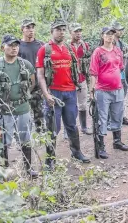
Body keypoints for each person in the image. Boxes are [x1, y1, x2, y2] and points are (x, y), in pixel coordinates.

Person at [37, 19, 90, 170]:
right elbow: (40, 74)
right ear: (51, 31)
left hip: (70, 91)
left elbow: (74, 68)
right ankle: (50, 159)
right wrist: (46, 94)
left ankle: (76, 152)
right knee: (53, 127)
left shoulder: (69, 48)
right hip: (53, 92)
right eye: (57, 29)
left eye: (63, 29)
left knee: (72, 125)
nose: (61, 32)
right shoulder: (45, 50)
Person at [0, 34, 38, 178]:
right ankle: (3, 172)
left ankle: (28, 169)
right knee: (2, 142)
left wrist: (23, 97)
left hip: (23, 109)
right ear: (3, 47)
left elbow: (33, 82)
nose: (14, 48)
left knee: (25, 140)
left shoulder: (25, 64)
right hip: (3, 111)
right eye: (10, 45)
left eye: (16, 45)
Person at [89, 27, 128, 159]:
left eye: (112, 34)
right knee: (102, 118)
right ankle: (101, 147)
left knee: (117, 115)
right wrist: (92, 89)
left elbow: (120, 68)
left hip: (118, 89)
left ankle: (117, 141)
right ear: (102, 36)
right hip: (102, 90)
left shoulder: (118, 51)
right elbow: (93, 72)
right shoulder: (98, 52)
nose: (110, 36)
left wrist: (124, 84)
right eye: (107, 34)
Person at [18, 19, 45, 133]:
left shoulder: (41, 45)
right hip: (23, 85)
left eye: (32, 27)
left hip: (38, 85)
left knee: (39, 113)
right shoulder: (17, 46)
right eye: (28, 28)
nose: (31, 30)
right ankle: (24, 138)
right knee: (24, 115)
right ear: (22, 30)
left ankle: (41, 136)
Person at [69, 23, 93, 135]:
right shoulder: (66, 45)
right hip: (69, 80)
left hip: (82, 78)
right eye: (75, 31)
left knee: (83, 103)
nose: (78, 34)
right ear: (70, 33)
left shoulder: (85, 45)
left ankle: (83, 127)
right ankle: (69, 128)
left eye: (79, 31)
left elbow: (89, 62)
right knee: (70, 105)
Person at [111, 21, 128, 126]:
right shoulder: (110, 43)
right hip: (113, 74)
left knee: (122, 96)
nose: (121, 32)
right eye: (118, 30)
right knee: (113, 96)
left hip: (122, 73)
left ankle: (121, 115)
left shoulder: (121, 43)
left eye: (121, 30)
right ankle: (113, 117)